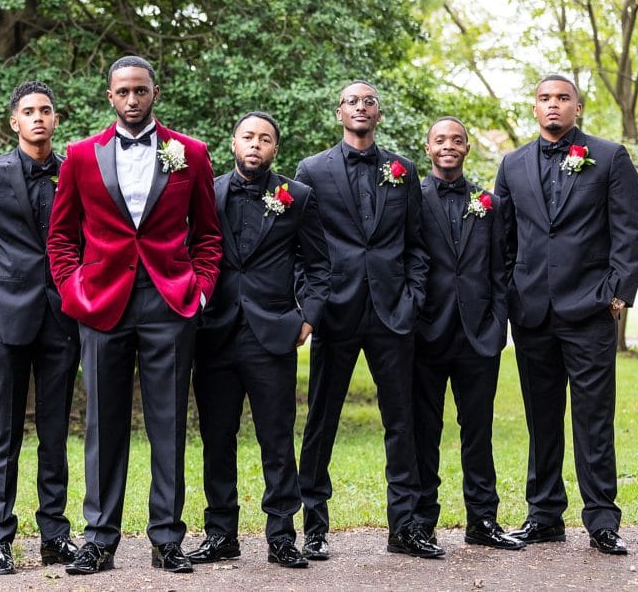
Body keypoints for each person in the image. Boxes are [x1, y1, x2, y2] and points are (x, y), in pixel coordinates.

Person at [46, 55, 222, 574]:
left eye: (139, 91)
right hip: (101, 303)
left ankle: (167, 538)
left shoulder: (190, 153)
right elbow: (60, 237)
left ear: (154, 92)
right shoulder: (81, 155)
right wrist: (73, 289)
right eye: (122, 92)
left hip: (170, 301)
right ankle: (99, 539)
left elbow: (209, 236)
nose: (131, 100)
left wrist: (201, 293)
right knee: (103, 424)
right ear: (110, 97)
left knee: (168, 423)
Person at [495, 75, 638, 555]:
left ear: (577, 107)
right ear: (534, 108)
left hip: (590, 311)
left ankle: (602, 519)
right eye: (545, 98)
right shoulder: (513, 164)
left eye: (563, 98)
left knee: (594, 419)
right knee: (541, 419)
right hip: (532, 312)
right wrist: (509, 295)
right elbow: (503, 239)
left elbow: (628, 230)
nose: (554, 105)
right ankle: (544, 516)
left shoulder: (609, 157)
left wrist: (616, 296)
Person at [295, 81, 440, 559]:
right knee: (321, 420)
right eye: (352, 101)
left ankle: (405, 527)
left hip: (393, 315)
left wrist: (413, 296)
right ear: (339, 112)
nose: (361, 107)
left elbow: (417, 245)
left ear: (378, 114)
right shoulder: (311, 170)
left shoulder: (404, 170)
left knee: (403, 423)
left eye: (369, 101)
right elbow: (302, 249)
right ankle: (314, 526)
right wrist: (311, 304)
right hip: (335, 313)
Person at [187, 111, 329, 569]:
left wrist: (307, 317)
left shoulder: (298, 197)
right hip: (214, 333)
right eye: (248, 137)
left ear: (274, 149)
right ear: (233, 143)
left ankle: (281, 536)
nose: (255, 145)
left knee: (276, 439)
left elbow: (319, 265)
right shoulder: (207, 193)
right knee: (217, 438)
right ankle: (221, 533)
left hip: (272, 334)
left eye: (264, 139)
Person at [0, 81, 80, 575]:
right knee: (4, 433)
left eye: (46, 110)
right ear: (14, 122)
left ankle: (54, 535)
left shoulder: (74, 172)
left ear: (55, 118)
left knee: (55, 433)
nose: (38, 118)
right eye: (28, 111)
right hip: (6, 320)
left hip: (62, 319)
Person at [412, 117, 523, 551]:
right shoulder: (411, 198)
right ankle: (421, 521)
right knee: (424, 432)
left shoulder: (488, 202)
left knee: (478, 430)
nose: (448, 146)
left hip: (479, 336)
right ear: (428, 147)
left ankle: (483, 520)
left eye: (456, 140)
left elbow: (502, 266)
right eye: (440, 140)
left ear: (467, 148)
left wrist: (498, 323)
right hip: (426, 334)